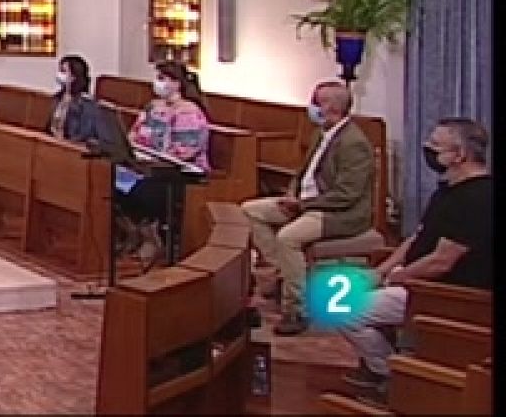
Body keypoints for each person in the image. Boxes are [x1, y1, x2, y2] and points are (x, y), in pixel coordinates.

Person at [338, 120, 492, 403]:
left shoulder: (478, 198)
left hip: (443, 292)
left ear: (460, 155)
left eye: (436, 146)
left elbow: (442, 262)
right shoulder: (447, 189)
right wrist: (380, 272)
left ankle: (392, 375)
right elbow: (416, 239)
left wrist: (398, 278)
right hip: (415, 279)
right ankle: (387, 367)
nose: (428, 151)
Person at [240, 81, 376, 335]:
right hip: (304, 202)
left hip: (337, 213)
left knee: (288, 237)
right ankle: (285, 273)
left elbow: (347, 195)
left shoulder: (354, 143)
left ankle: (296, 309)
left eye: (316, 101)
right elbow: (303, 173)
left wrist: (302, 204)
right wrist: (292, 192)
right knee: (250, 210)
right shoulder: (319, 133)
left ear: (331, 106)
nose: (311, 106)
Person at [117, 61, 211, 267]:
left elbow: (185, 151)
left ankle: (151, 237)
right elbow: (135, 133)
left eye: (163, 78)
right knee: (115, 182)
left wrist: (153, 159)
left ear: (177, 83)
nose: (158, 83)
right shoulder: (153, 106)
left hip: (183, 173)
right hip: (150, 164)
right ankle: (136, 233)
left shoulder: (188, 112)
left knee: (144, 190)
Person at [50, 55, 130, 164]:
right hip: (55, 148)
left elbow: (81, 137)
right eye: (60, 70)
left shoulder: (89, 106)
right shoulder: (57, 99)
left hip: (75, 155)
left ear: (74, 76)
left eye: (63, 71)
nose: (59, 75)